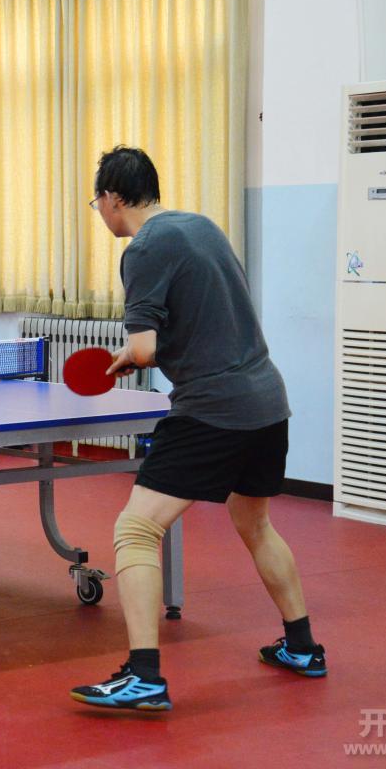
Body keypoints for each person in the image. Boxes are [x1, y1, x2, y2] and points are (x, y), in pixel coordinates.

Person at [69, 147, 325, 713]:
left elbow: (146, 348)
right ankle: (303, 646)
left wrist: (135, 354)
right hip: (266, 400)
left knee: (136, 530)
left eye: (96, 201)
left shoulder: (142, 250)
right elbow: (202, 319)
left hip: (213, 408)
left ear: (112, 198)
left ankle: (143, 677)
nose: (99, 211)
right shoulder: (200, 226)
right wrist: (140, 353)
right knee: (255, 523)